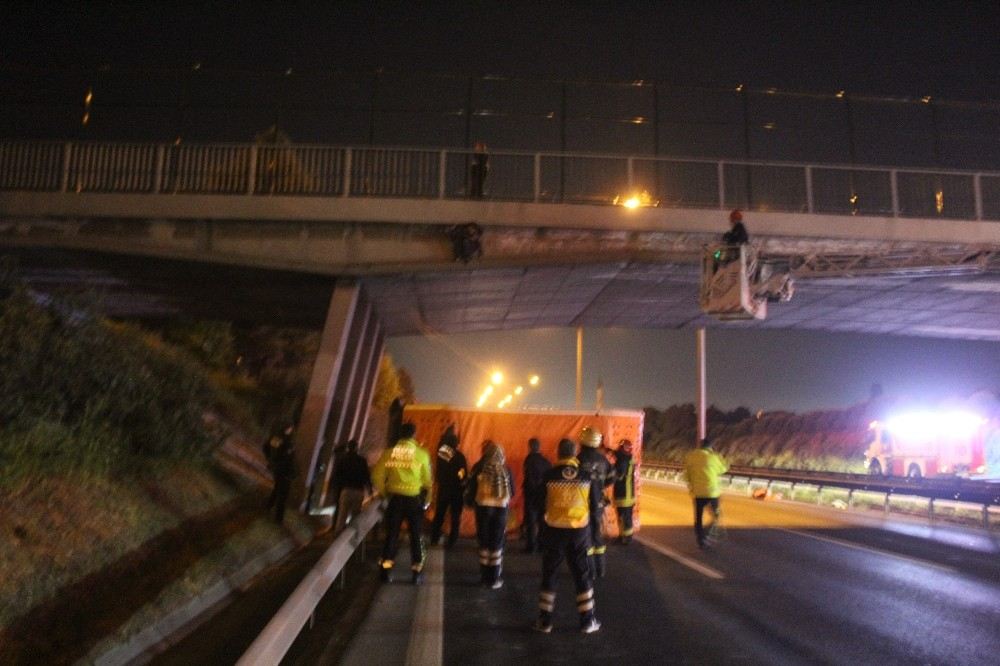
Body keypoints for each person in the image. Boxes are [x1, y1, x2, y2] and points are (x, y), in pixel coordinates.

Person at [535, 438, 601, 634]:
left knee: (550, 574)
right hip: (579, 532)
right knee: (582, 575)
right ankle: (587, 621)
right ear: (574, 454)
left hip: (554, 531)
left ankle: (544, 621)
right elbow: (596, 504)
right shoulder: (586, 476)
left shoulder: (548, 476)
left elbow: (539, 504)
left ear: (558, 453)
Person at [372, 421, 433, 584]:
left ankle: (385, 571)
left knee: (391, 536)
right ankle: (417, 573)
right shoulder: (422, 454)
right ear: (414, 435)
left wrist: (386, 493)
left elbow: (376, 477)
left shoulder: (389, 453)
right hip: (414, 501)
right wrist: (427, 501)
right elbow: (428, 482)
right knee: (416, 537)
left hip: (395, 500)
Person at [465, 440, 514, 588]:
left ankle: (484, 577)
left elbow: (471, 488)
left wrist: (470, 503)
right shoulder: (506, 470)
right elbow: (512, 491)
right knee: (497, 544)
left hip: (483, 509)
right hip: (501, 510)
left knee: (484, 543)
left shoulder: (479, 467)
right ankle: (494, 578)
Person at [576, 426, 614, 578]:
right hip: (598, 504)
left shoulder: (578, 460)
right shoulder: (603, 459)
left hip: (582, 505)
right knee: (597, 536)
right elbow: (612, 477)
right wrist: (600, 486)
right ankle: (600, 569)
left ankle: (589, 571)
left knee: (585, 538)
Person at [683, 437, 730, 549]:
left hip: (698, 494)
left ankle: (700, 539)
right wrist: (720, 457)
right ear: (710, 447)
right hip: (712, 492)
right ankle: (706, 532)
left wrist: (692, 486)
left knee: (698, 517)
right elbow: (723, 469)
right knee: (716, 515)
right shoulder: (713, 457)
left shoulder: (691, 456)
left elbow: (686, 476)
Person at [429, 426, 468, 548]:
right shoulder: (460, 456)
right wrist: (461, 479)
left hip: (444, 489)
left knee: (439, 514)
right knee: (455, 516)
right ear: (457, 444)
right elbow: (462, 472)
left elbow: (440, 468)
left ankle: (434, 537)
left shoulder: (443, 454)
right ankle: (452, 540)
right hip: (457, 490)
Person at [332, 439, 373, 535]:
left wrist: (337, 490)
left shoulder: (342, 460)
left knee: (342, 514)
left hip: (346, 490)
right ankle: (352, 535)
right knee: (355, 515)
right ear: (356, 448)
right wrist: (369, 489)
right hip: (358, 491)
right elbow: (366, 476)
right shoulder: (362, 461)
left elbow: (337, 476)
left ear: (348, 448)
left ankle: (338, 534)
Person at [522, 437, 552, 553]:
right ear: (539, 447)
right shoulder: (546, 461)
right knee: (542, 521)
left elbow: (528, 477)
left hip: (531, 494)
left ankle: (531, 547)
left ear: (530, 447)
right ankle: (541, 545)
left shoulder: (529, 460)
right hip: (543, 495)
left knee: (531, 522)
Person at [264, 424, 296, 525]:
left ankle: (269, 505)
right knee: (283, 493)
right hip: (282, 470)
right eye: (290, 428)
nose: (291, 430)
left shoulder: (286, 439)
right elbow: (271, 451)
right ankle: (278, 518)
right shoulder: (280, 438)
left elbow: (268, 449)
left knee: (278, 488)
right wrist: (272, 461)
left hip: (283, 469)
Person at [611, 439, 637, 545]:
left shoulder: (623, 460)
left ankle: (626, 538)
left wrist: (611, 472)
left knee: (624, 517)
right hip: (628, 493)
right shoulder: (628, 458)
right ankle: (623, 536)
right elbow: (616, 454)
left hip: (623, 493)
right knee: (624, 517)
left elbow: (619, 475)